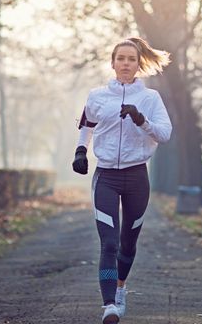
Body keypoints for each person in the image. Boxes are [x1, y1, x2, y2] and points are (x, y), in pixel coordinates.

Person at [72, 37, 173, 324]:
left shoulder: (151, 99)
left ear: (139, 64)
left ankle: (120, 289)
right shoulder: (97, 96)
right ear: (113, 63)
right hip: (105, 177)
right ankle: (109, 307)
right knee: (109, 244)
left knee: (128, 244)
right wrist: (81, 151)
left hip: (136, 177)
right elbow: (86, 125)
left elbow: (164, 135)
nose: (126, 64)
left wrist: (141, 119)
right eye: (121, 59)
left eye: (131, 59)